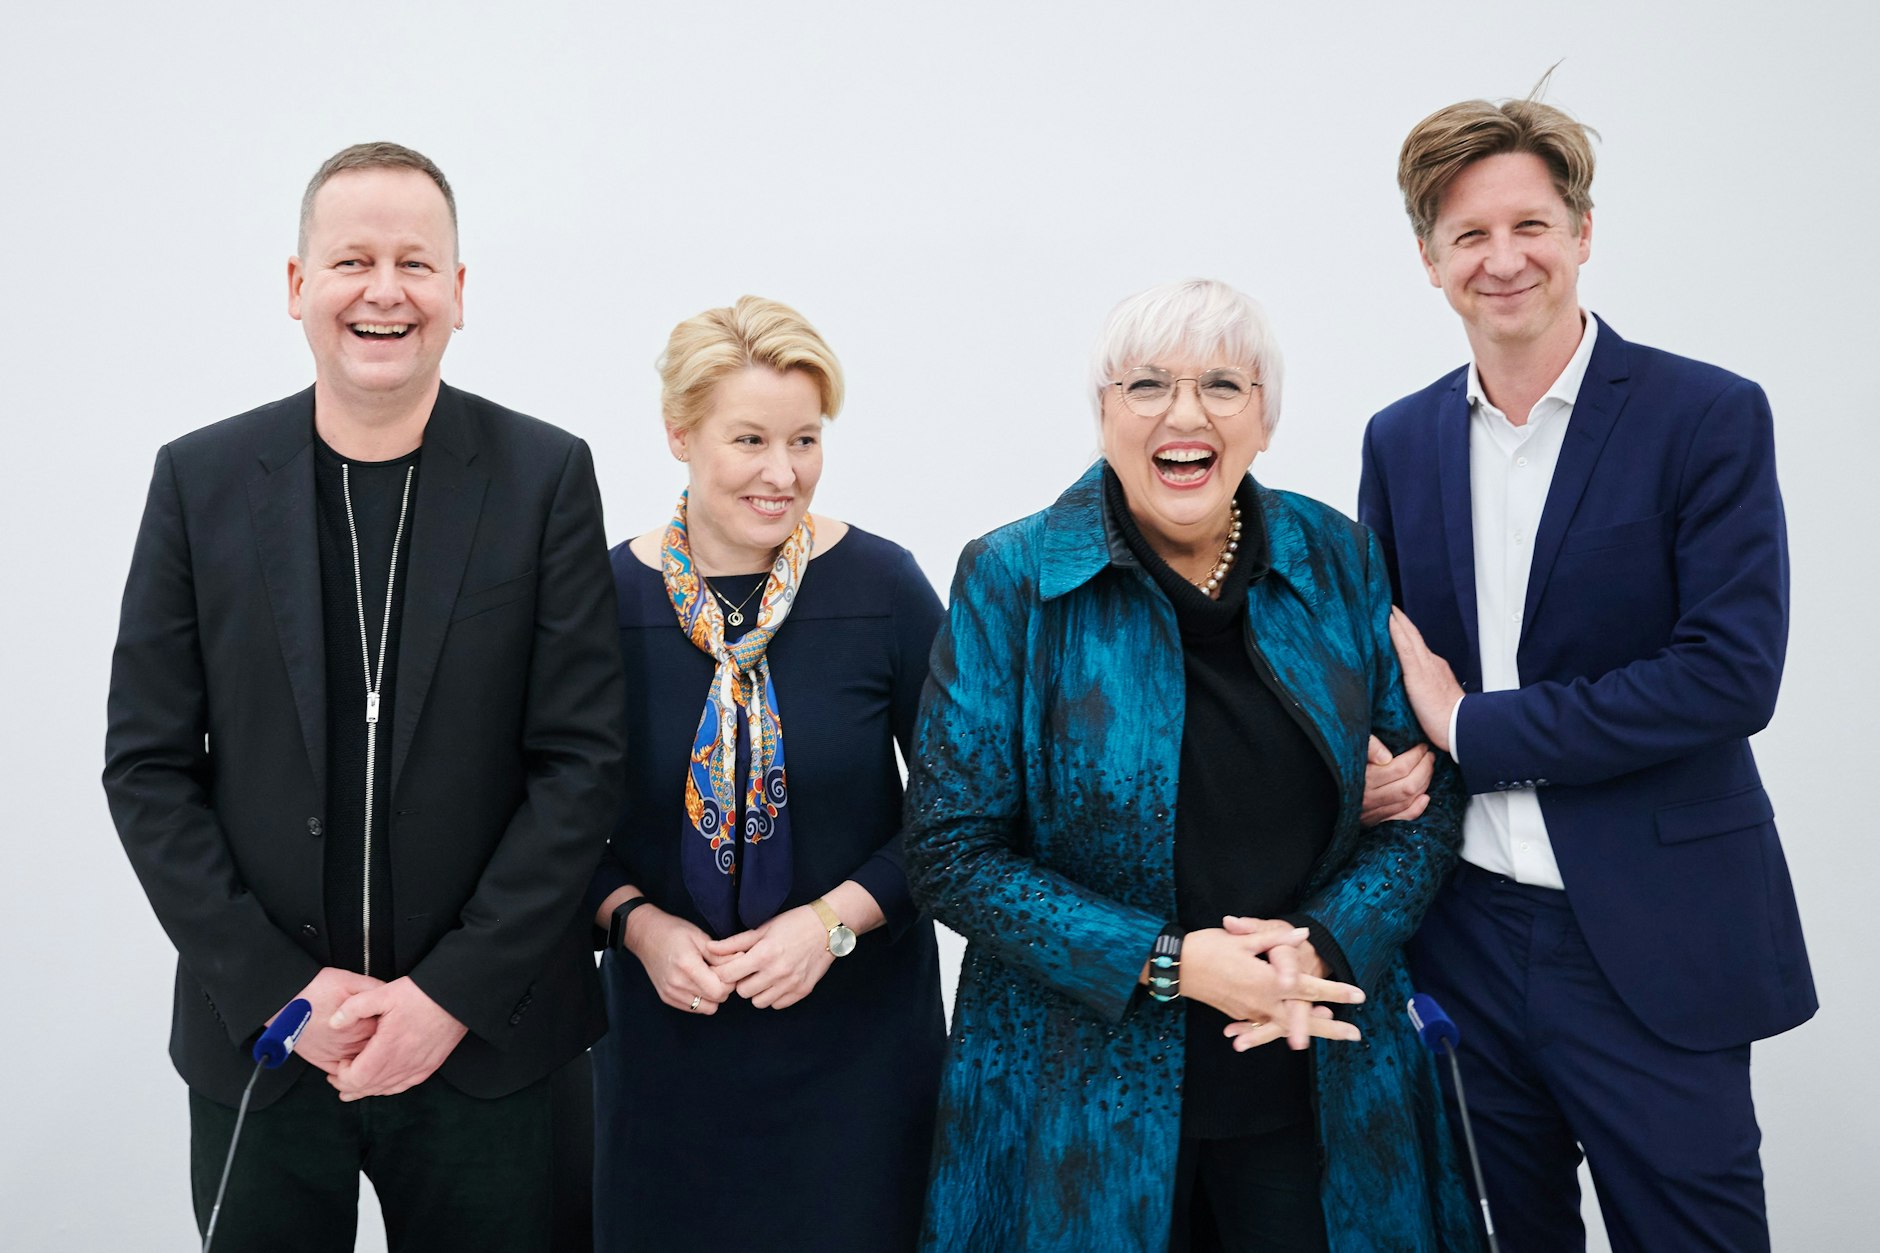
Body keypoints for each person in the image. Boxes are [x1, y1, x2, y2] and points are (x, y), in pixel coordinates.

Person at [103, 142, 625, 1250]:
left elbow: (581, 765)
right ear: (297, 287)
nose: (384, 290)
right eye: (350, 259)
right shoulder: (197, 482)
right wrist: (285, 991)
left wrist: (448, 994)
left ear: (458, 293)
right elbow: (147, 765)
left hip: (496, 1045)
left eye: (414, 263)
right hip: (268, 1043)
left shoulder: (546, 477)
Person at [905, 279, 1477, 1252]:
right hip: (1080, 1101)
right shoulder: (1012, 577)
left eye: (1221, 383)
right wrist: (1171, 963)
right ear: (1101, 414)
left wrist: (1322, 945)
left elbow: (1425, 792)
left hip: (1315, 1066)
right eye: (1144, 386)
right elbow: (949, 851)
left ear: (1262, 417)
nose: (1184, 413)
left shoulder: (1335, 556)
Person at [1359, 90, 1816, 1251]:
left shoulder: (1703, 415)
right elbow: (1387, 667)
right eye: (1467, 235)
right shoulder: (1398, 439)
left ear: (1581, 232)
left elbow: (1727, 673)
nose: (1501, 259)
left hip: (1650, 938)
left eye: (1528, 226)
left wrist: (1472, 728)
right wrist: (1377, 760)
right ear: (1428, 259)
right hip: (1460, 931)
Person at [585, 296, 946, 1253]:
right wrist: (638, 923)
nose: (782, 473)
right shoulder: (597, 602)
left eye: (805, 440)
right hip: (664, 1059)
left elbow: (965, 813)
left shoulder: (883, 589)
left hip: (860, 1055)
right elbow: (545, 818)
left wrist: (833, 924)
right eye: (749, 439)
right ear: (679, 434)